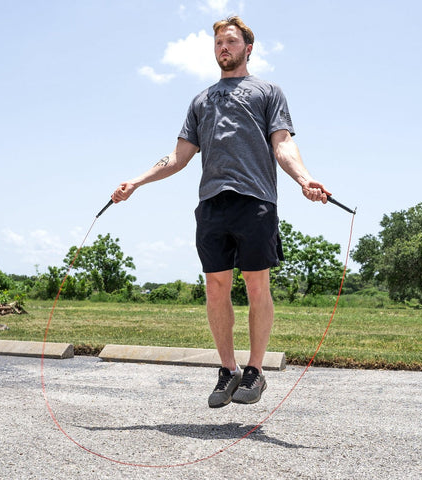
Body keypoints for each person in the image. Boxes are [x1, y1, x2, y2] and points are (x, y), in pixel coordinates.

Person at [111, 16, 331, 408]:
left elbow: (282, 145)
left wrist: (304, 179)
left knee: (255, 283)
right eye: (217, 44)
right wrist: (137, 181)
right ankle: (228, 370)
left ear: (248, 48)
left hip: (255, 200)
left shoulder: (268, 91)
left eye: (230, 42)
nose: (222, 49)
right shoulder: (201, 100)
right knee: (215, 287)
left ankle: (256, 371)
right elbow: (179, 156)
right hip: (212, 203)